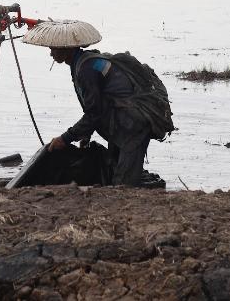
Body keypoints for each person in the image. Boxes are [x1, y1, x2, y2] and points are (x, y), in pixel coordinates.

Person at [23, 20, 153, 186]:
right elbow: (94, 105)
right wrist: (85, 135)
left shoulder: (86, 69)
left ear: (67, 49)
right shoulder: (79, 64)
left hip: (133, 125)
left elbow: (94, 112)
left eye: (54, 49)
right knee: (113, 169)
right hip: (120, 122)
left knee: (124, 183)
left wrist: (66, 138)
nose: (51, 54)